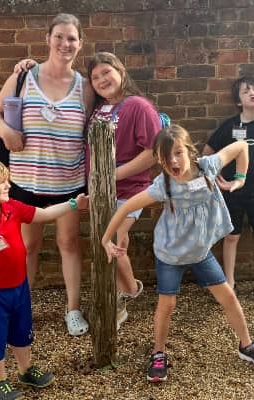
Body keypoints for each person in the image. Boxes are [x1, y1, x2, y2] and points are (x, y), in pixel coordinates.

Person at [102, 125, 254, 382]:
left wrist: (240, 178)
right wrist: (105, 239)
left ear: (190, 151)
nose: (173, 161)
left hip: (200, 252)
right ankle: (158, 352)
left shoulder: (208, 167)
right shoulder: (163, 186)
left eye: (178, 153)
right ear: (159, 160)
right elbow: (125, 207)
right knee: (167, 305)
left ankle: (247, 345)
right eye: (165, 157)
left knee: (228, 298)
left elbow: (242, 146)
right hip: (170, 254)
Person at [0, 13, 95, 336]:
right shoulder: (23, 77)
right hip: (25, 182)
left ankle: (72, 309)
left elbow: (95, 128)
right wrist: (6, 131)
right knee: (27, 247)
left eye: (72, 38)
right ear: (48, 39)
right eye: (59, 36)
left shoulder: (84, 87)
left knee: (69, 244)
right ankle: (21, 310)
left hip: (68, 183)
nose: (65, 43)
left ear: (80, 44)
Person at [0, 154, 88, 399]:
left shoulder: (13, 208)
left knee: (22, 331)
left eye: (7, 180)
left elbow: (44, 214)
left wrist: (73, 204)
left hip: (20, 288)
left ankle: (26, 370)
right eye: (1, 182)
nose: (8, 185)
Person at [86, 52, 162, 329]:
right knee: (119, 242)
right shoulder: (98, 108)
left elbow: (153, 152)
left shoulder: (138, 106)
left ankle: (128, 291)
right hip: (100, 191)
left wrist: (113, 175)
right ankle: (119, 296)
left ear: (121, 72)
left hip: (129, 190)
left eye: (106, 72)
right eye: (95, 77)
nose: (102, 79)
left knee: (110, 239)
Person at [203, 76, 254, 303]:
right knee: (231, 237)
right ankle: (229, 283)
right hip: (232, 192)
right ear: (238, 101)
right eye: (245, 91)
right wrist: (217, 175)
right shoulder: (230, 126)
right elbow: (208, 153)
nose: (252, 93)